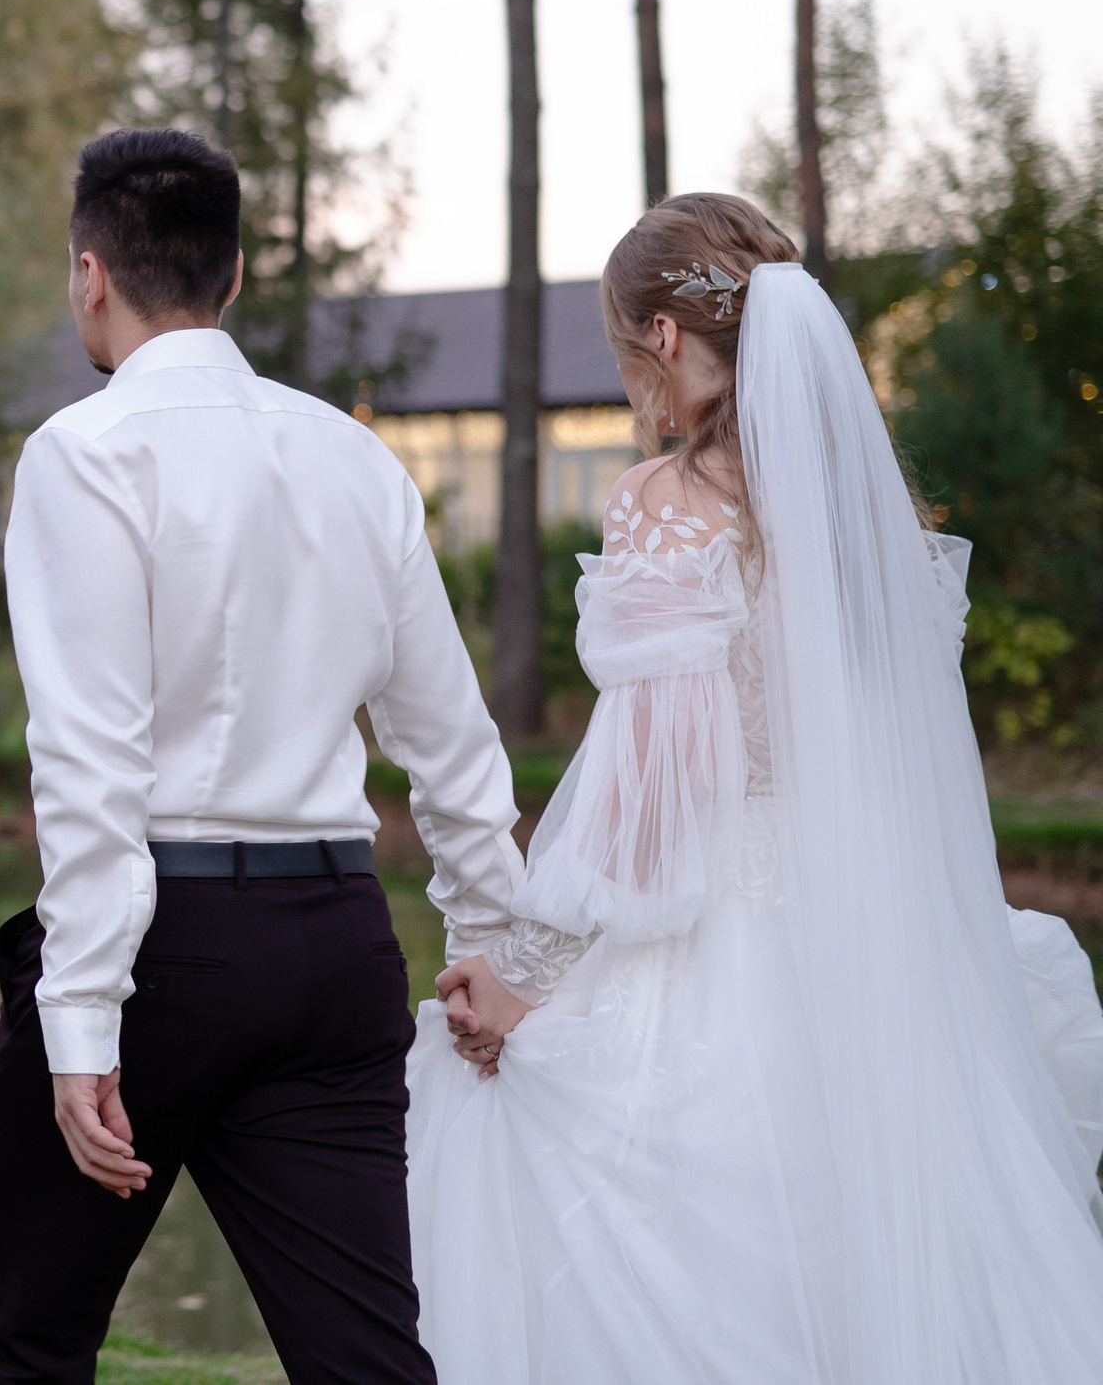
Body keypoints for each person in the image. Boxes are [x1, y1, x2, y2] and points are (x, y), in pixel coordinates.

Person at [411, 194, 1103, 1384]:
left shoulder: (661, 507)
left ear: (667, 341)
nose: (636, 390)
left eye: (629, 356)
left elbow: (653, 805)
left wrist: (521, 980)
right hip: (872, 948)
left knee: (514, 1131)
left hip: (710, 947)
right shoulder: (867, 522)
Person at [0, 128, 530, 1383]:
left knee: (28, 1339)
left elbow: (89, 758)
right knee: (368, 1360)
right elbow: (447, 733)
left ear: (89, 274)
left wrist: (79, 1019)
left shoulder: (83, 451)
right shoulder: (354, 457)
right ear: (228, 281)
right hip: (333, 942)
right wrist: (490, 940)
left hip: (161, 956)